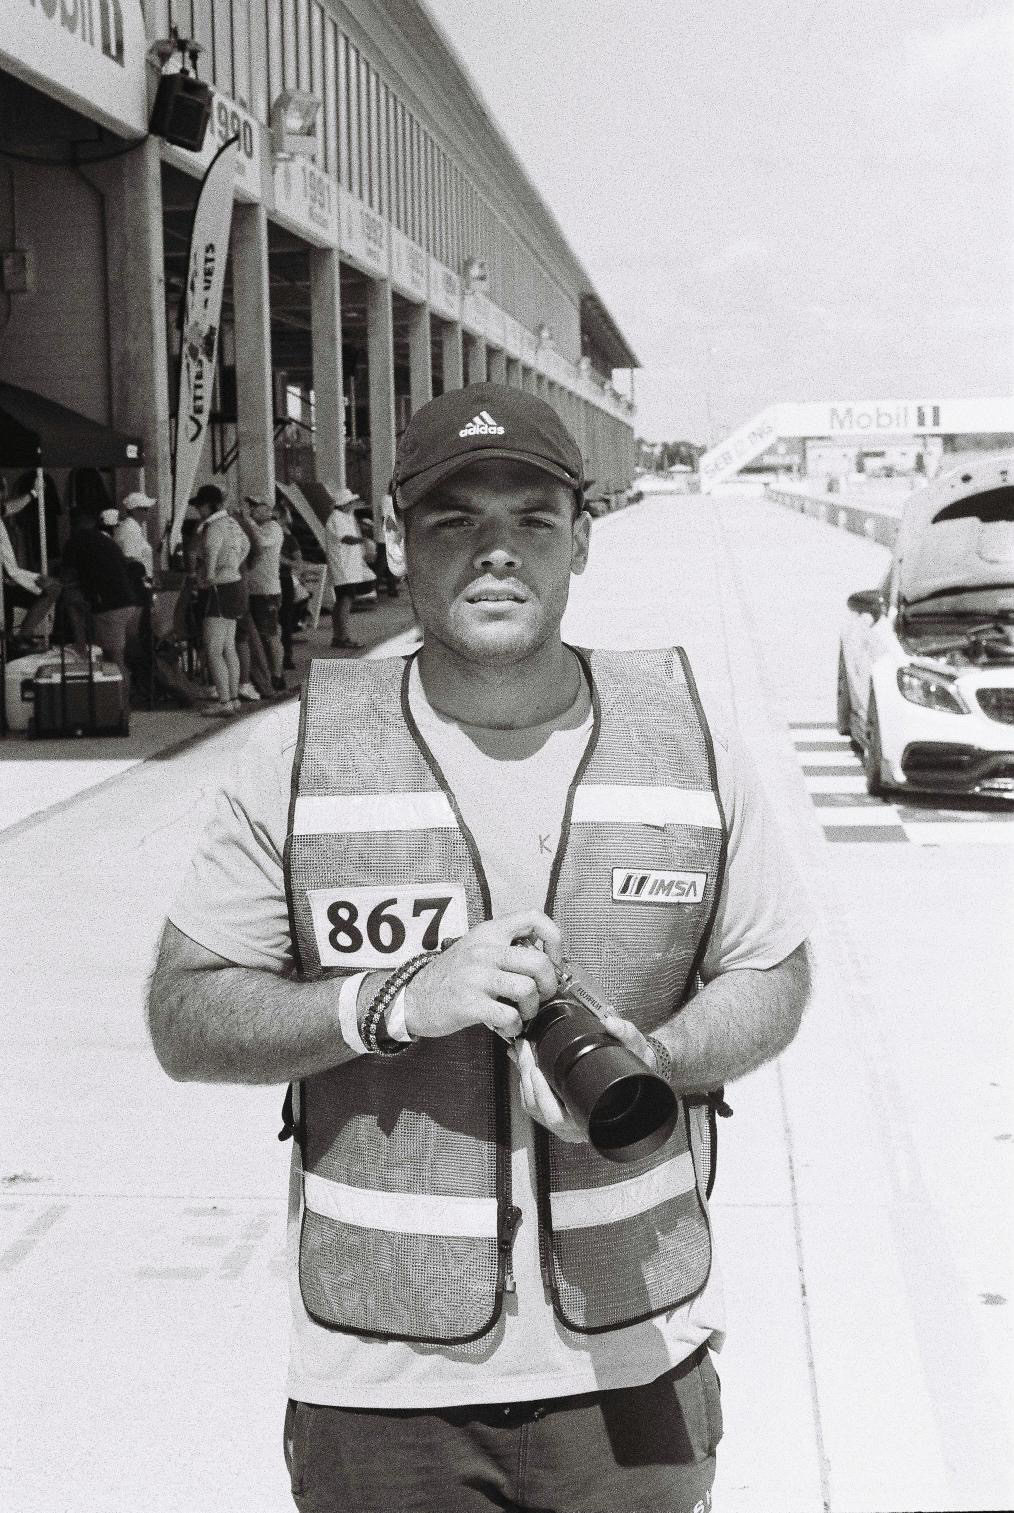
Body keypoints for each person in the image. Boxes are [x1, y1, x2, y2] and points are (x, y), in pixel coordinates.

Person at [147, 383, 814, 1513]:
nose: (496, 551)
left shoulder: (687, 742)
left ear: (582, 540)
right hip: (380, 1391)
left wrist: (656, 1055)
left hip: (635, 1366)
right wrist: (390, 1001)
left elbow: (773, 974)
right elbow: (184, 1016)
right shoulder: (301, 757)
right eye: (455, 520)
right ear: (398, 539)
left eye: (532, 520)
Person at [60, 507, 140, 711]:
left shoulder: (76, 541)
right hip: (130, 604)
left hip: (110, 606)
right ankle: (119, 705)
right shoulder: (106, 540)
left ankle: (121, 710)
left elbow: (67, 579)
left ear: (74, 523)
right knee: (120, 659)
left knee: (114, 661)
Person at [193, 483, 249, 717]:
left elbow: (211, 550)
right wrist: (233, 565)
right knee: (228, 646)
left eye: (200, 506)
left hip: (218, 589)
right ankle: (233, 699)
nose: (198, 510)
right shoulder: (233, 523)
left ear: (208, 505)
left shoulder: (213, 526)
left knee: (214, 649)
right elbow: (246, 545)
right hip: (234, 585)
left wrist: (208, 575)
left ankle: (224, 701)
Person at [1, 479, 61, 649]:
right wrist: (34, 493)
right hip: (7, 578)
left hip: (10, 576)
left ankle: (23, 637)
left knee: (53, 588)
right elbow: (10, 507)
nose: (6, 495)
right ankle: (20, 639)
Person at [236, 494, 287, 692]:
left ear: (268, 510)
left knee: (270, 634)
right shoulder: (255, 528)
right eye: (250, 506)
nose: (251, 510)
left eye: (256, 506)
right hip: (253, 588)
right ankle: (264, 673)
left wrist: (247, 522)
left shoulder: (273, 528)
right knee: (257, 635)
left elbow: (261, 543)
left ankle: (277, 675)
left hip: (267, 590)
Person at [323, 485, 376, 650]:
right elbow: (345, 538)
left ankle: (338, 636)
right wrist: (363, 541)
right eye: (351, 502)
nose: (353, 505)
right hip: (343, 567)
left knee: (342, 601)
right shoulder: (337, 518)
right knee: (345, 602)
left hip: (348, 567)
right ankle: (343, 636)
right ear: (345, 504)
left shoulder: (345, 516)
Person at [113, 491, 156, 582]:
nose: (148, 512)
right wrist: (145, 580)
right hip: (137, 581)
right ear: (135, 511)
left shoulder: (133, 527)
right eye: (145, 509)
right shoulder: (130, 529)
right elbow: (130, 560)